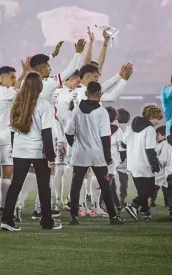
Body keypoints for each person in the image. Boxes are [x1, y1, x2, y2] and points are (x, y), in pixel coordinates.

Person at [15, 39, 85, 220]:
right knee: (48, 171)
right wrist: (78, 53)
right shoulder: (47, 84)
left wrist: (52, 55)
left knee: (27, 172)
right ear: (41, 69)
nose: (50, 69)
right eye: (47, 66)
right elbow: (69, 71)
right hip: (44, 131)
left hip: (25, 134)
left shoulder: (25, 84)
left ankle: (18, 204)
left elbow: (36, 70)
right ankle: (40, 209)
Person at [0, 71, 61, 232]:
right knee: (44, 187)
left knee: (15, 185)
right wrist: (51, 155)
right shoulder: (43, 104)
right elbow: (46, 132)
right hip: (37, 150)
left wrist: (15, 148)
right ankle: (47, 221)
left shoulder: (16, 102)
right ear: (39, 86)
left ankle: (6, 219)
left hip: (20, 149)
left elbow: (12, 130)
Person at [65, 81, 125, 225]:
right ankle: (113, 217)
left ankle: (74, 216)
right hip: (97, 154)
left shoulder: (77, 110)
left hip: (80, 154)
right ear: (100, 95)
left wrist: (76, 145)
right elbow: (105, 136)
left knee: (76, 185)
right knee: (105, 186)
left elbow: (68, 133)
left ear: (86, 94)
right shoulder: (101, 111)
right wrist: (108, 157)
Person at [0, 63, 29, 217]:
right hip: (5, 136)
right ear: (2, 78)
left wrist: (23, 72)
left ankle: (0, 202)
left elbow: (14, 87)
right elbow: (19, 89)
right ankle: (5, 206)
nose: (14, 80)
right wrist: (25, 73)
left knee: (3, 171)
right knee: (8, 171)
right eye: (11, 77)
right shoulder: (7, 92)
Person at [122, 104, 163, 221]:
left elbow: (123, 144)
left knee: (142, 191)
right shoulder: (149, 130)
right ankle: (133, 205)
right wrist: (155, 165)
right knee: (150, 190)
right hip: (144, 164)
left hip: (132, 164)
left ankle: (145, 212)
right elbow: (150, 150)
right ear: (151, 116)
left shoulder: (130, 127)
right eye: (157, 118)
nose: (158, 122)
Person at [52, 70, 81, 211]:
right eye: (78, 81)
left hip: (58, 137)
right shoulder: (71, 94)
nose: (79, 84)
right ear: (72, 79)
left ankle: (58, 200)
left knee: (60, 168)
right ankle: (71, 200)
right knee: (77, 168)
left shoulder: (55, 91)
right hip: (68, 137)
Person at [105, 106, 124, 213]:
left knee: (109, 184)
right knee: (108, 184)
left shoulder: (100, 128)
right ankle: (110, 206)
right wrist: (122, 159)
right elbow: (121, 147)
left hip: (100, 159)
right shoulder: (118, 131)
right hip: (112, 160)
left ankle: (116, 205)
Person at [116, 107, 131, 208]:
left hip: (112, 158)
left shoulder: (112, 127)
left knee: (108, 181)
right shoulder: (130, 129)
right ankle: (122, 198)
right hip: (125, 160)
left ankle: (102, 200)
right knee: (124, 182)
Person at [153, 126, 169, 208]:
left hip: (160, 168)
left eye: (158, 134)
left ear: (164, 135)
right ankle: (167, 203)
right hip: (165, 169)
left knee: (156, 186)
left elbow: (160, 157)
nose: (156, 136)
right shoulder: (163, 144)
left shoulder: (164, 144)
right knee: (165, 186)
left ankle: (152, 201)